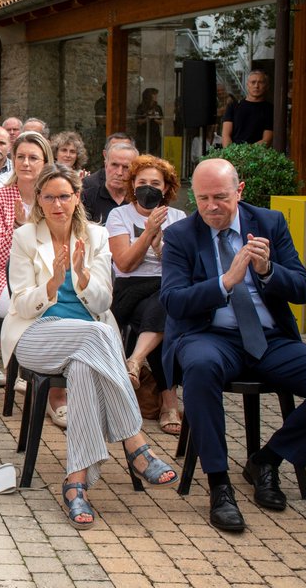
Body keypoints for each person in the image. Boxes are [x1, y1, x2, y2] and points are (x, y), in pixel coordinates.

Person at [1, 165, 179, 529]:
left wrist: (82, 277)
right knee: (98, 336)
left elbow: (102, 303)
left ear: (77, 197)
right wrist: (52, 284)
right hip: (36, 334)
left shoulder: (95, 236)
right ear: (39, 200)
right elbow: (20, 305)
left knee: (85, 364)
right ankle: (135, 442)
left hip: (86, 341)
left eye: (64, 196)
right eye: (49, 197)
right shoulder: (24, 237)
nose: (57, 204)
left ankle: (76, 483)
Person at [159, 158, 306, 532]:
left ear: (239, 191)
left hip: (269, 338)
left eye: (220, 197)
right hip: (210, 336)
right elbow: (173, 301)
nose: (211, 207)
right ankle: (219, 485)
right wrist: (224, 283)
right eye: (203, 198)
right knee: (200, 367)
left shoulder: (270, 223)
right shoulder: (181, 235)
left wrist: (268, 270)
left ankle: (267, 460)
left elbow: (304, 288)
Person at [0, 132, 59, 414]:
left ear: (45, 162)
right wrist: (21, 227)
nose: (26, 163)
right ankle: (32, 372)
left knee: (62, 302)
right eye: (20, 157)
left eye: (33, 158)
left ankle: (44, 377)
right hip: (4, 276)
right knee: (26, 304)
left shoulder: (56, 198)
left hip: (48, 274)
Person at [107, 155, 187, 435]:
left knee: (165, 303)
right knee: (167, 308)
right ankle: (170, 403)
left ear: (166, 188)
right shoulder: (119, 215)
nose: (148, 188)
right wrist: (148, 232)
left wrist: (159, 247)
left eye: (155, 183)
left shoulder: (178, 218)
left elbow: (180, 266)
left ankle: (135, 360)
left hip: (165, 287)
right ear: (133, 185)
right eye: (142, 182)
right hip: (131, 289)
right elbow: (124, 264)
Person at [80, 141, 137, 224]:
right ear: (106, 165)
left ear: (134, 171)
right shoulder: (87, 198)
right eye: (114, 165)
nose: (119, 172)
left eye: (126, 167)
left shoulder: (139, 200)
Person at [221, 70, 273, 146]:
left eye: (261, 82)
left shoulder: (270, 109)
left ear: (267, 86)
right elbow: (225, 135)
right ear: (247, 85)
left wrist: (246, 152)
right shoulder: (233, 106)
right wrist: (230, 152)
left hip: (258, 152)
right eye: (253, 82)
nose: (256, 86)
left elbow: (267, 140)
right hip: (232, 151)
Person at [134, 89, 163, 154]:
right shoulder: (141, 107)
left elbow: (162, 121)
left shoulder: (158, 107)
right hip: (143, 135)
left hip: (155, 135)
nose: (156, 96)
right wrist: (147, 118)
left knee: (155, 153)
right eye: (154, 94)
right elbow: (138, 121)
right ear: (149, 96)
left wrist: (155, 118)